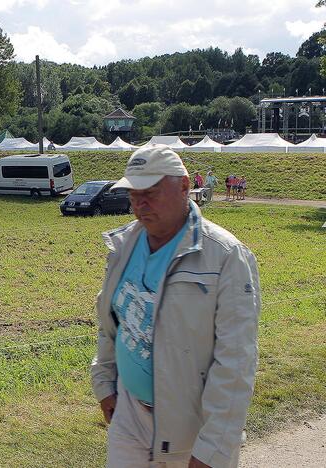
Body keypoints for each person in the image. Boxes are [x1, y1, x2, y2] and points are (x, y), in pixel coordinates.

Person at [91, 146, 261, 468]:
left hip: (189, 429)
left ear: (185, 186)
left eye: (151, 193)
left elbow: (236, 362)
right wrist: (104, 383)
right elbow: (112, 319)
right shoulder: (123, 246)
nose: (140, 204)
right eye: (133, 194)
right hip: (129, 413)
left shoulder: (226, 257)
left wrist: (214, 448)